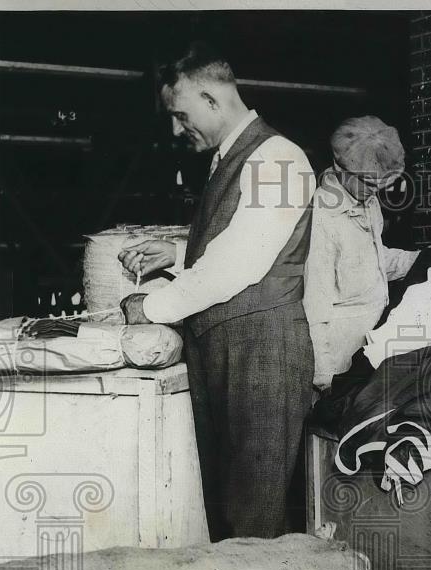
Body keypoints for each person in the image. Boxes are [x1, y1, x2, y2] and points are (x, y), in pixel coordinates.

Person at [118, 42, 316, 541]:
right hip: (230, 347)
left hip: (262, 352)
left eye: (181, 114)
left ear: (211, 98)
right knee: (229, 510)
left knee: (254, 514)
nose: (176, 128)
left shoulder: (279, 157)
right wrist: (180, 254)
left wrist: (151, 306)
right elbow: (242, 245)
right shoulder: (229, 159)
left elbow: (239, 265)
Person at [303, 116, 420, 388]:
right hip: (338, 357)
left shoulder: (367, 201)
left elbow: (373, 260)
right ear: (339, 167)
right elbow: (314, 304)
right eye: (370, 184)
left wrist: (418, 259)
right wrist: (324, 376)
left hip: (369, 348)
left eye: (381, 185)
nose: (375, 193)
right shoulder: (322, 218)